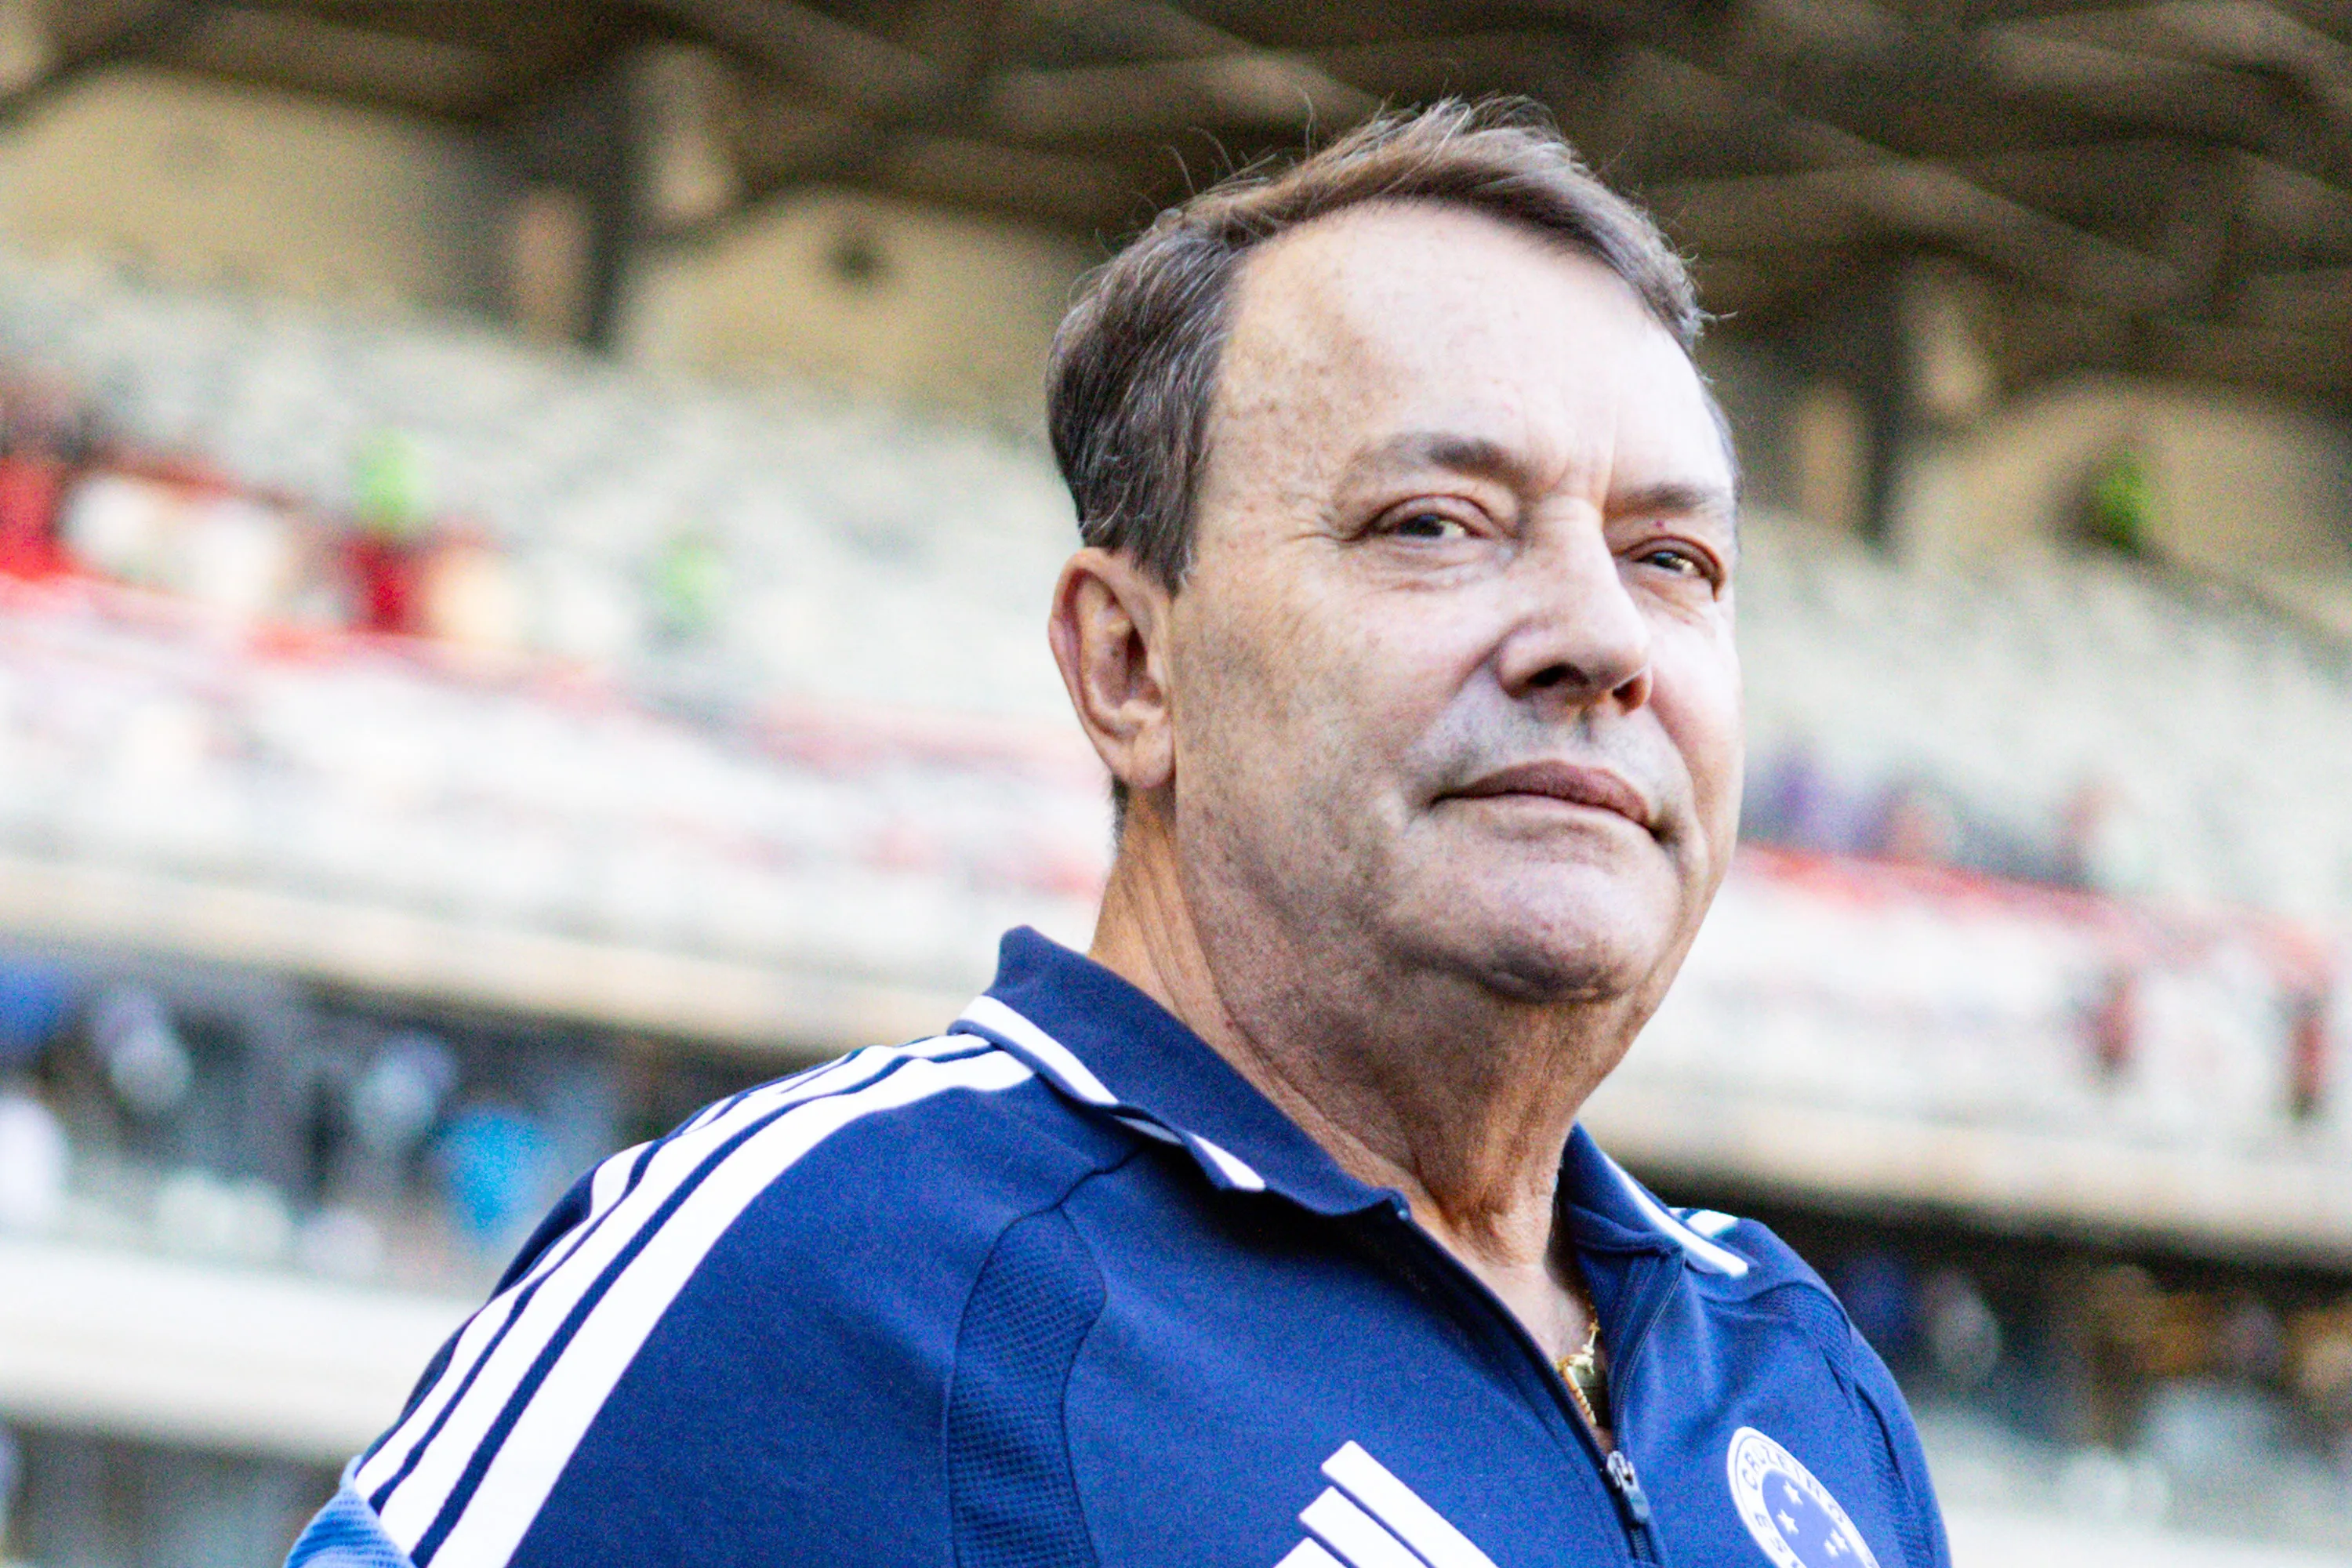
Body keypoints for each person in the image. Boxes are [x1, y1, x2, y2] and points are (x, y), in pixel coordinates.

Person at [291, 99, 1949, 1568]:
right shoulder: (837, 1264)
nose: (1602, 635)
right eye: (1437, 524)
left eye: (1676, 560)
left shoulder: (1797, 1375)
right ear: (1131, 663)